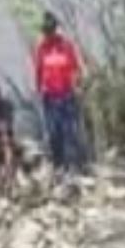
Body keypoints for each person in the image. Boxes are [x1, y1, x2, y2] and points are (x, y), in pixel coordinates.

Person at [34, 14, 88, 176]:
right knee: (53, 132)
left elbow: (77, 68)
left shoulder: (66, 45)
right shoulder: (42, 48)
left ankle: (76, 164)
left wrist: (78, 85)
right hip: (49, 97)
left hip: (66, 95)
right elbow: (38, 71)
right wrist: (39, 89)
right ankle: (58, 165)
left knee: (70, 131)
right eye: (46, 31)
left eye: (50, 30)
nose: (48, 34)